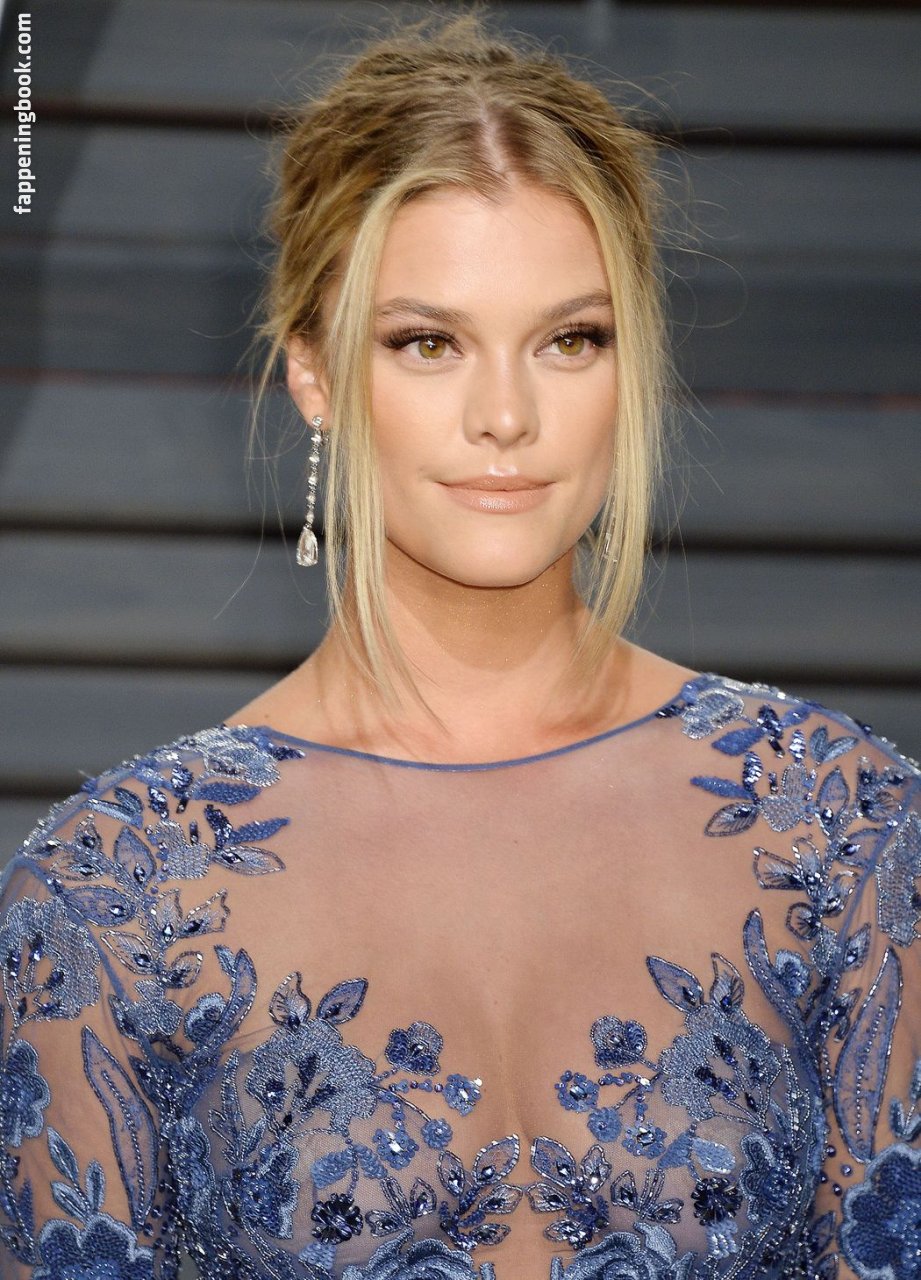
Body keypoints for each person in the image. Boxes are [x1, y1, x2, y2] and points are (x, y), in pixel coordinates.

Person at [0, 11, 918, 1280]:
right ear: (314, 371)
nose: (506, 415)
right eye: (427, 342)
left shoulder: (849, 831)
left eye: (570, 339)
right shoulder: (106, 901)